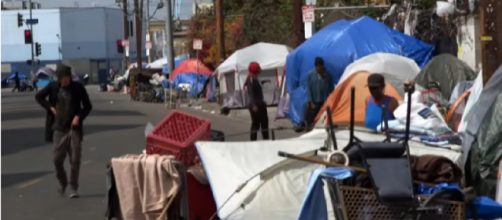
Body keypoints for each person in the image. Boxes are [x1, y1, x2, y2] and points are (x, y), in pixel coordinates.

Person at [35, 64, 92, 198]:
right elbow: (38, 97)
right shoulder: (53, 87)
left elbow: (88, 106)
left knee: (75, 159)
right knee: (57, 160)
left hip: (74, 129)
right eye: (62, 78)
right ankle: (63, 181)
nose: (65, 80)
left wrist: (79, 116)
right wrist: (50, 107)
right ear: (58, 78)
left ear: (70, 77)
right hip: (59, 128)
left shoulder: (78, 88)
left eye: (67, 77)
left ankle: (73, 187)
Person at [305, 57, 334, 130]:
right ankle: (310, 128)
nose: (319, 69)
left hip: (324, 101)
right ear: (315, 66)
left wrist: (331, 100)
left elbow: (331, 89)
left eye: (320, 67)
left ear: (322, 66)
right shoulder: (310, 75)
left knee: (323, 117)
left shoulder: (328, 75)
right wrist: (311, 102)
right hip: (314, 101)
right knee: (311, 117)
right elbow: (308, 89)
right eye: (317, 67)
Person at [245, 62, 269, 141]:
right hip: (256, 105)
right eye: (258, 68)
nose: (260, 69)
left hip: (260, 104)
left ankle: (266, 139)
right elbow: (251, 92)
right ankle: (253, 141)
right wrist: (253, 105)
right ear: (255, 69)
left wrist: (264, 82)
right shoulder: (251, 78)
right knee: (256, 124)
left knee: (264, 123)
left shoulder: (254, 77)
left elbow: (256, 86)